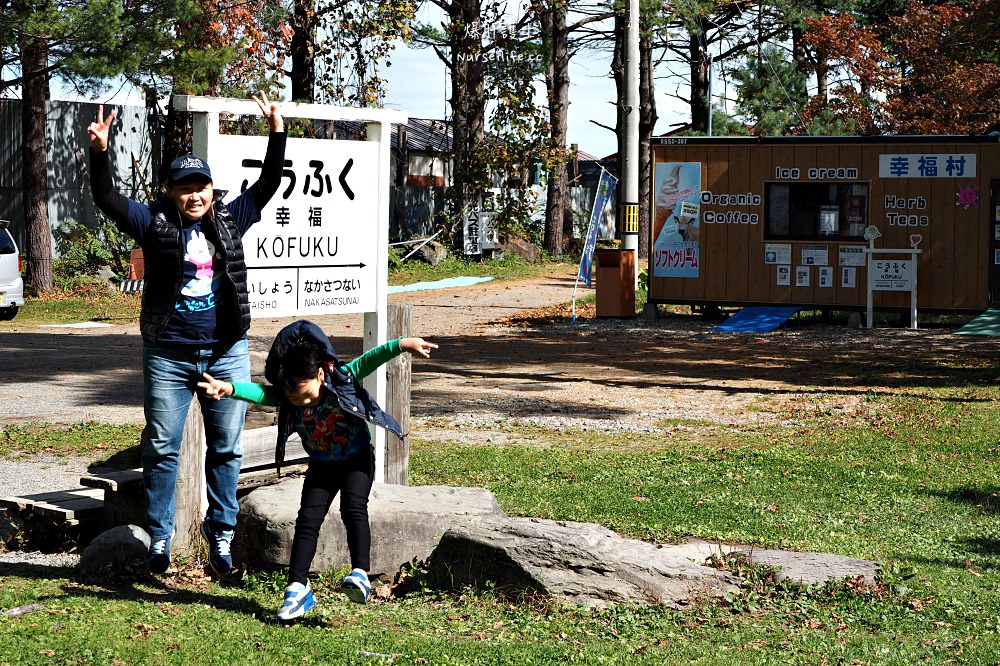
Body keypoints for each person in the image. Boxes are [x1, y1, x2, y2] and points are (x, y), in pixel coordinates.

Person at [87, 92, 287, 575]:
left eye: (202, 186)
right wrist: (99, 153)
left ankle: (220, 538)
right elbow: (107, 199)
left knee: (227, 448)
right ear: (170, 191)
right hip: (168, 354)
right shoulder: (153, 224)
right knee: (161, 446)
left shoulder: (231, 218)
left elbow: (268, 184)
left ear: (213, 190)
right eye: (185, 187)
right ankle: (160, 539)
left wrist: (277, 131)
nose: (194, 194)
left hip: (226, 351)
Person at [198, 320, 437, 620]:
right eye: (296, 399)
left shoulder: (342, 379)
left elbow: (370, 359)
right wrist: (230, 388)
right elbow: (260, 394)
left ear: (320, 374)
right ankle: (297, 588)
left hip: (356, 459)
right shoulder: (288, 395)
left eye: (307, 395)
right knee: (307, 522)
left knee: (354, 508)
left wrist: (402, 344)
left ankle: (360, 573)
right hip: (322, 465)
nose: (303, 402)